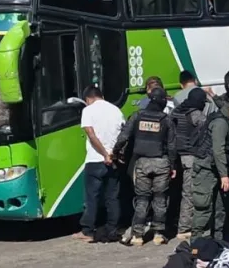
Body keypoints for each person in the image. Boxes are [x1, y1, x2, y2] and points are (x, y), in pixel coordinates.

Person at [113, 88, 177, 246]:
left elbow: (123, 137)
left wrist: (115, 152)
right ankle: (158, 234)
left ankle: (137, 236)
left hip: (141, 163)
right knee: (160, 199)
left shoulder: (137, 116)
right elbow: (172, 146)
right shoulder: (166, 120)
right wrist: (173, 165)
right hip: (161, 163)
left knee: (142, 199)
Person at [191, 96, 229, 241]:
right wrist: (224, 175)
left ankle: (217, 240)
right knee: (204, 207)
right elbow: (218, 150)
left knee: (220, 206)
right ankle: (197, 244)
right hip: (206, 168)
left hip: (215, 168)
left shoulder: (225, 120)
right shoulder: (221, 123)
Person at [76, 86, 124, 242]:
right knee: (112, 197)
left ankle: (88, 231)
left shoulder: (88, 111)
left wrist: (104, 154)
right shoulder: (116, 110)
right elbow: (123, 135)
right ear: (101, 95)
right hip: (114, 160)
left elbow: (91, 134)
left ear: (88, 99)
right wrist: (113, 154)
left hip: (96, 160)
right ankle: (112, 229)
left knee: (92, 197)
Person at [170, 87, 208, 240]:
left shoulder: (177, 111)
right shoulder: (196, 114)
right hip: (189, 157)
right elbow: (207, 129)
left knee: (175, 193)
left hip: (174, 157)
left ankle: (173, 222)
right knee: (189, 193)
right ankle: (184, 228)